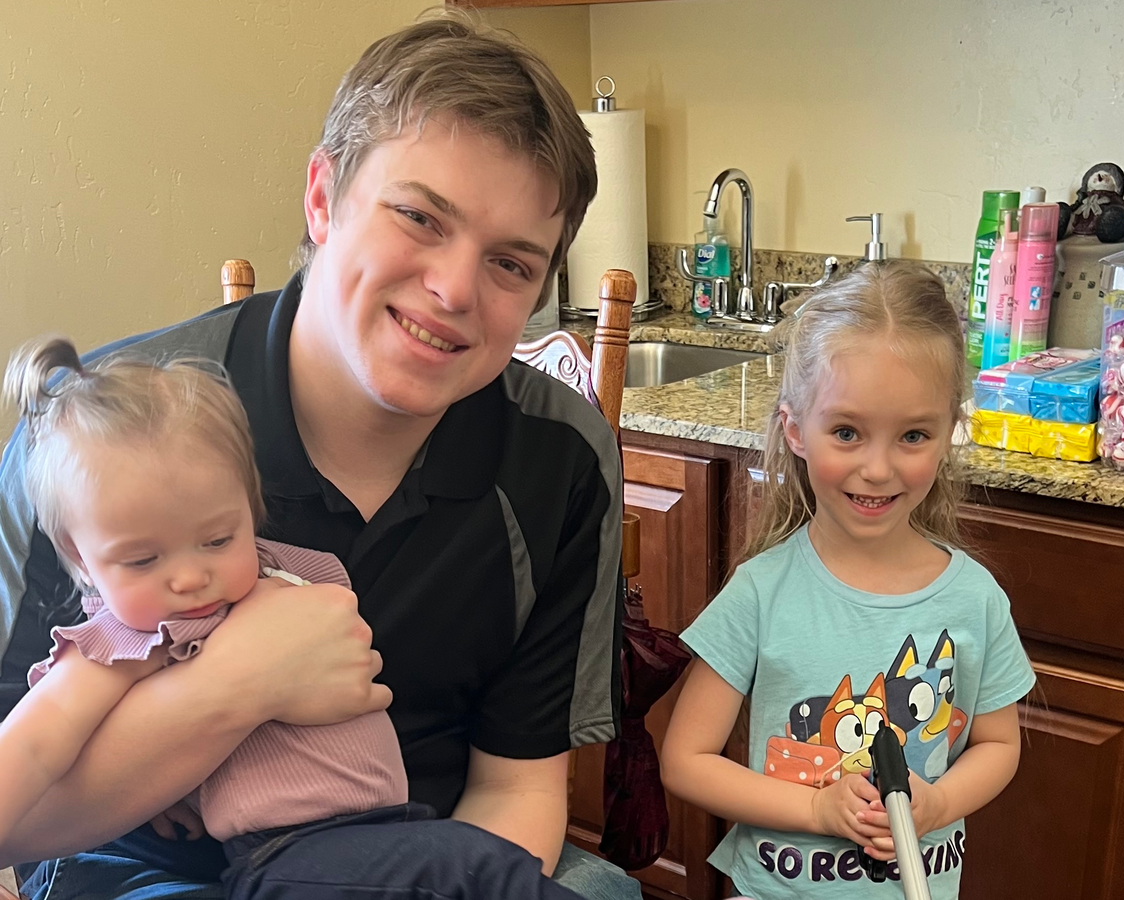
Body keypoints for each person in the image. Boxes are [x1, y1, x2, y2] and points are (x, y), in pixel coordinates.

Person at [0, 11, 641, 900]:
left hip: (414, 855)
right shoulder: (97, 441)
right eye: (419, 216)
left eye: (511, 264)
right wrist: (238, 686)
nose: (454, 289)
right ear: (321, 196)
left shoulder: (561, 458)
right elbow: (18, 819)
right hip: (134, 865)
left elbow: (517, 790)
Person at [0, 338, 584, 900]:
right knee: (475, 867)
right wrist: (151, 790)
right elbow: (32, 746)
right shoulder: (121, 638)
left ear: (250, 507)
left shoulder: (285, 571)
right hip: (291, 856)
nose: (190, 577)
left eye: (217, 539)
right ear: (82, 559)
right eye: (143, 560)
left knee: (481, 862)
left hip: (384, 831)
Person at [660, 263, 1037, 899]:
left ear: (949, 431)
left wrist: (939, 804)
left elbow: (999, 745)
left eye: (913, 435)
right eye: (846, 432)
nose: (878, 468)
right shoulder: (760, 593)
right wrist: (817, 809)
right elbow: (685, 761)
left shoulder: (975, 599)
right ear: (795, 431)